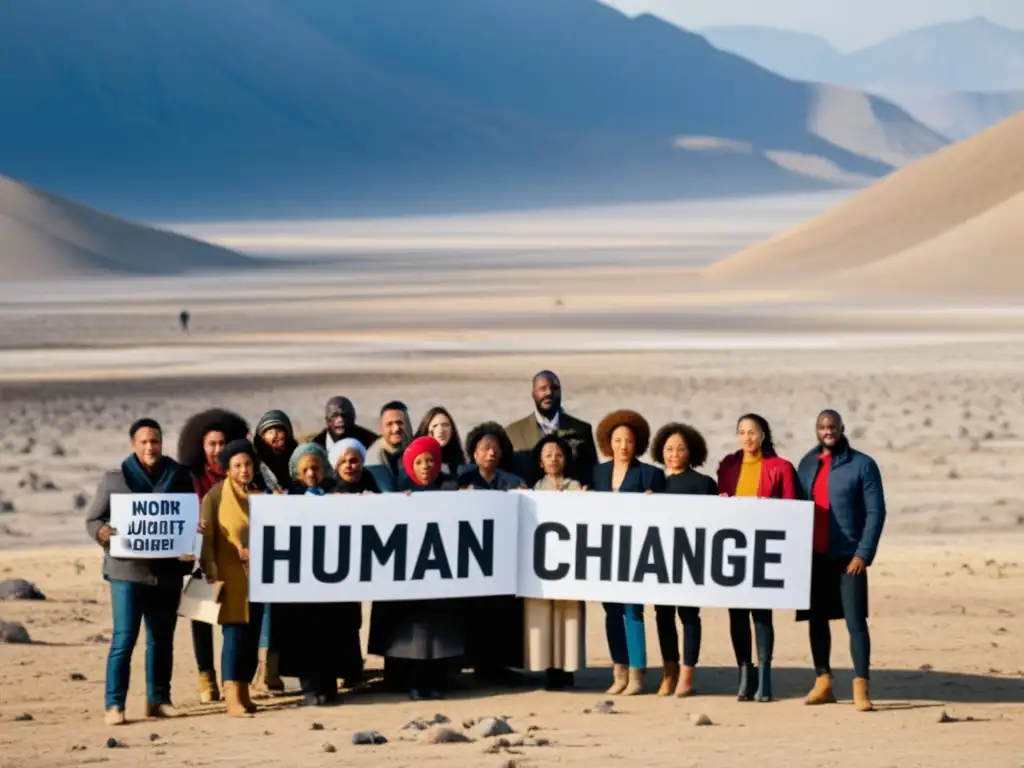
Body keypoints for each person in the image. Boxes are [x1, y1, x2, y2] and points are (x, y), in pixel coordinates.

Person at [84, 418, 197, 726]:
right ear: (133, 444)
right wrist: (103, 533)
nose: (151, 447)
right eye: (145, 441)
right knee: (124, 638)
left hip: (167, 573)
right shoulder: (114, 479)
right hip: (127, 573)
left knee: (162, 640)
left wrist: (192, 536)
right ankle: (115, 704)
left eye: (156, 441)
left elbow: (189, 516)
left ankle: (159, 699)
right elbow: (93, 520)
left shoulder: (178, 476)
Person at [796, 410, 886, 713]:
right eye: (822, 427)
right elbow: (792, 506)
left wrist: (864, 553)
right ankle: (823, 681)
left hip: (849, 556)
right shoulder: (807, 464)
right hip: (814, 555)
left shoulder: (863, 465)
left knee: (856, 622)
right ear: (816, 430)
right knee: (817, 620)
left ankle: (861, 685)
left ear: (842, 428)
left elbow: (876, 512)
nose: (827, 431)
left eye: (832, 426)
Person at [368, 437, 464, 700]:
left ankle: (437, 681)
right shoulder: (398, 491)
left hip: (440, 575)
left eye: (431, 461)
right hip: (409, 579)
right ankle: (413, 683)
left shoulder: (450, 489)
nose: (425, 467)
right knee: (411, 636)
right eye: (419, 462)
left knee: (437, 635)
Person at [717, 413, 799, 703]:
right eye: (742, 431)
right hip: (734, 551)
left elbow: (793, 511)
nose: (747, 437)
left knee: (761, 615)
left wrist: (772, 507)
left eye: (753, 431)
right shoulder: (728, 465)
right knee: (736, 615)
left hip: (765, 552)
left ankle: (764, 677)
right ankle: (744, 676)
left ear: (764, 434)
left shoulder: (781, 467)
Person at [272, 442, 363, 706]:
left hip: (333, 581)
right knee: (304, 636)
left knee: (332, 633)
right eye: (306, 469)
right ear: (296, 471)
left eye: (316, 468)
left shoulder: (339, 494)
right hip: (301, 584)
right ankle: (311, 688)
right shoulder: (286, 498)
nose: (311, 473)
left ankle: (329, 684)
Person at [177, 408, 250, 704]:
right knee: (201, 617)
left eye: (222, 443)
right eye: (212, 444)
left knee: (237, 623)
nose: (217, 450)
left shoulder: (243, 475)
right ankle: (206, 676)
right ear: (201, 446)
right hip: (204, 557)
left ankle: (237, 680)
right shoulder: (191, 478)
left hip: (239, 560)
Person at [592, 410, 665, 696]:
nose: (623, 446)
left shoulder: (650, 474)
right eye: (617, 440)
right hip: (605, 552)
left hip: (637, 553)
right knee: (611, 611)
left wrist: (653, 502)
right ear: (609, 443)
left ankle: (637, 673)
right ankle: (618, 671)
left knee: (633, 611)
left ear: (637, 444)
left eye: (629, 440)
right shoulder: (598, 473)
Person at [650, 422, 718, 698]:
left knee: (689, 616)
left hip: (692, 559)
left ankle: (687, 675)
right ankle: (670, 673)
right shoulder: (655, 483)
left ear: (691, 452)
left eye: (680, 448)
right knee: (663, 615)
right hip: (660, 559)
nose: (674, 453)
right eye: (669, 449)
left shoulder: (704, 484)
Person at [198, 440, 265, 717]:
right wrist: (211, 571)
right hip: (229, 576)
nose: (244, 470)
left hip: (260, 578)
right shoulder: (215, 496)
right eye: (237, 465)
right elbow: (207, 538)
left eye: (248, 464)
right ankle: (231, 696)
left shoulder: (262, 495)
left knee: (252, 636)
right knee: (235, 636)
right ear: (228, 469)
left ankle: (245, 691)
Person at [457, 422, 527, 683]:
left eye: (495, 449)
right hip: (472, 561)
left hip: (504, 562)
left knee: (502, 614)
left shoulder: (513, 482)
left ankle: (498, 667)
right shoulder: (463, 480)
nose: (490, 453)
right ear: (474, 453)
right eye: (484, 448)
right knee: (474, 614)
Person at [525, 433, 586, 690]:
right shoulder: (533, 490)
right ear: (540, 462)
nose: (553, 459)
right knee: (545, 615)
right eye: (548, 455)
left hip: (569, 561)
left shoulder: (576, 487)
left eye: (558, 455)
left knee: (568, 615)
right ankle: (550, 670)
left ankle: (567, 670)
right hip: (542, 563)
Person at [249, 409, 296, 694]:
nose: (276, 435)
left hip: (292, 545)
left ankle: (280, 671)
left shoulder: (296, 461)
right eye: (270, 431)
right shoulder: (253, 466)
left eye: (280, 429)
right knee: (265, 610)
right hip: (262, 546)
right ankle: (263, 673)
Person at [505, 370, 599, 487]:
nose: (549, 393)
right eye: (542, 389)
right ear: (534, 394)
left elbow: (593, 474)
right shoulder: (514, 431)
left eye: (554, 388)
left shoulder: (581, 429)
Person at [365, 401, 412, 491]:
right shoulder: (371, 459)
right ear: (381, 428)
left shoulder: (419, 451)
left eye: (400, 423)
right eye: (389, 424)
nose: (396, 429)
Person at [252, 410, 298, 493]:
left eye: (279, 431)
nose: (275, 435)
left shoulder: (297, 457)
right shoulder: (256, 463)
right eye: (270, 432)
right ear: (263, 438)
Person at [311, 395, 378, 452]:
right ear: (327, 420)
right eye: (334, 416)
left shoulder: (371, 442)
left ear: (353, 418)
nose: (340, 420)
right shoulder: (316, 446)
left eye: (345, 416)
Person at [414, 406, 466, 477]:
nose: (441, 430)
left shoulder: (459, 464)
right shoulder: (414, 458)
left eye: (445, 425)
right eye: (435, 426)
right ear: (426, 430)